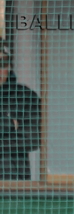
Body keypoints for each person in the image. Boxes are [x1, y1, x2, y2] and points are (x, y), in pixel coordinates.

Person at [0, 40, 41, 180]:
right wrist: (10, 124)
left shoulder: (25, 96)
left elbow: (32, 139)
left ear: (9, 66)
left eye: (2, 63)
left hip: (13, 182)